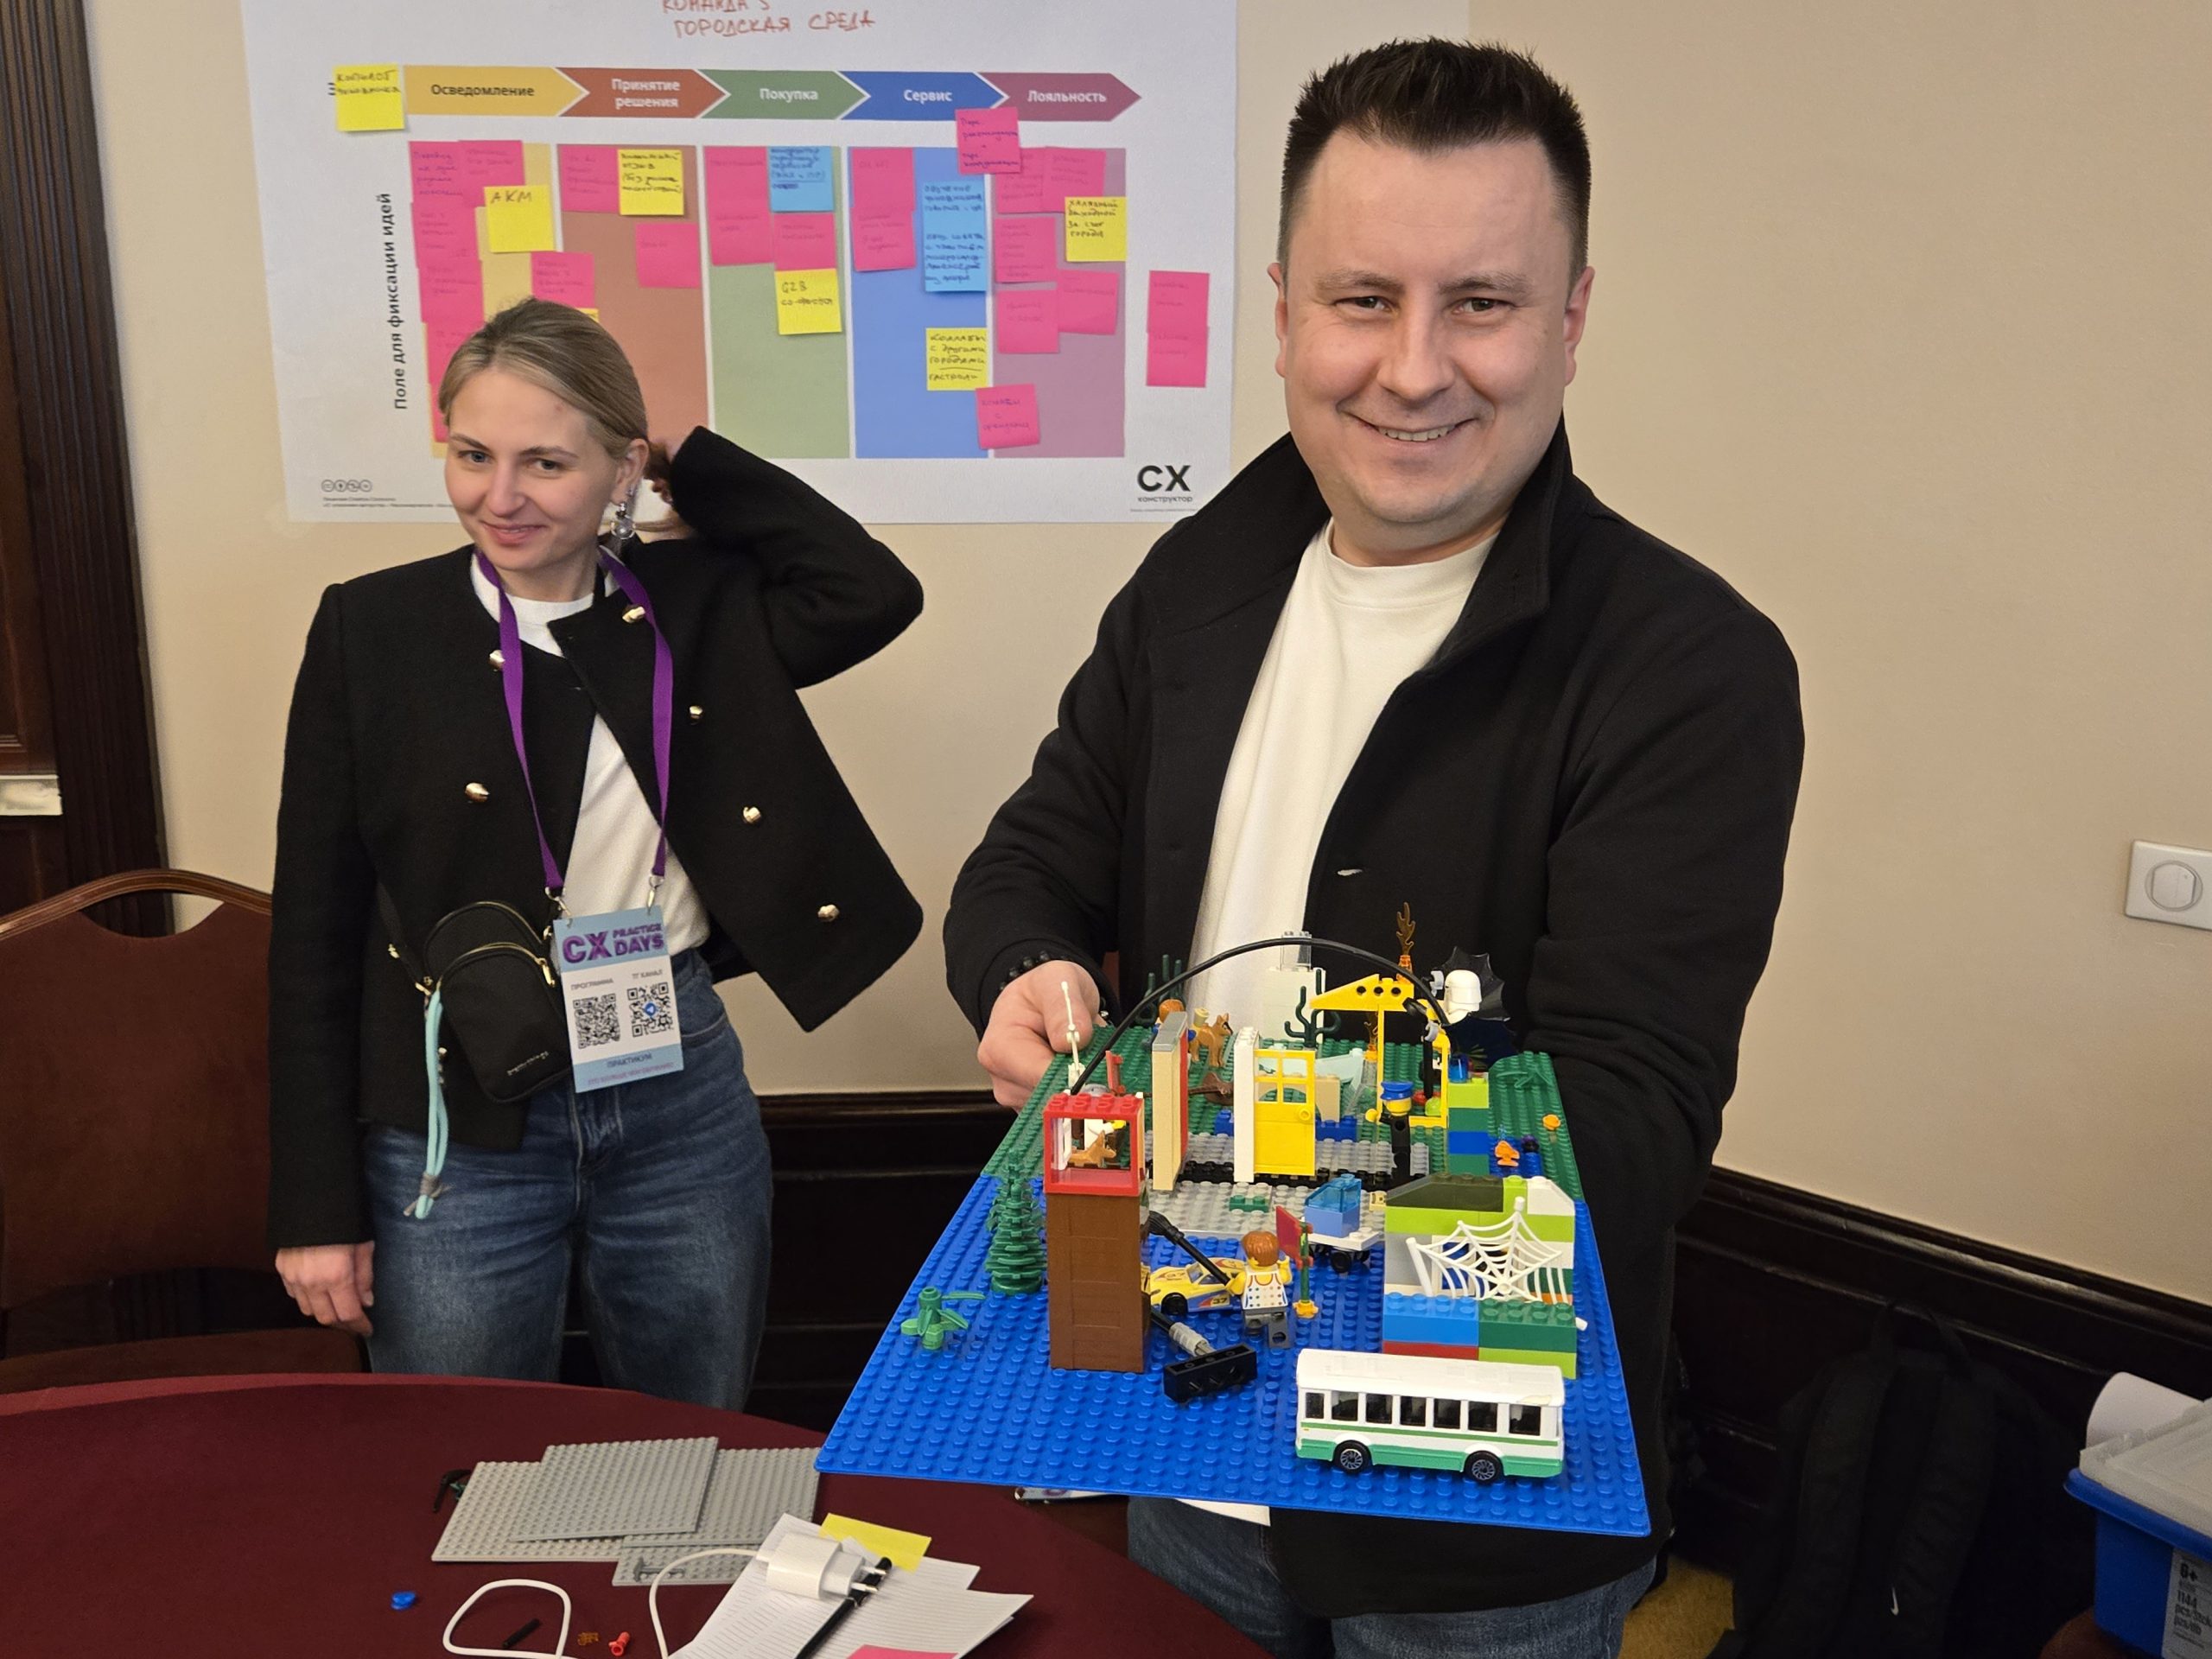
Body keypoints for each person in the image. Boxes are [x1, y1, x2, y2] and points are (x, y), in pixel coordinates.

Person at [944, 39, 1802, 1658]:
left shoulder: (1688, 667)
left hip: (1474, 1519)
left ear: (1571, 318)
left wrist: (1267, 1147)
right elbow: (1030, 862)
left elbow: (1630, 1124)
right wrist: (1026, 971)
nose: (1414, 369)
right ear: (1284, 314)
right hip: (1185, 1440)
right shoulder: (1196, 585)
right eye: (1361, 299)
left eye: (1480, 301)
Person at [270, 298, 922, 1408]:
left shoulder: (698, 609)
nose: (500, 496)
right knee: (457, 1444)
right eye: (472, 455)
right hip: (455, 1104)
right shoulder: (372, 630)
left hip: (675, 1083)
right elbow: (312, 932)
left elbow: (870, 591)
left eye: (546, 462)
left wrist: (686, 459)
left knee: (690, 1424)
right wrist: (315, 1209)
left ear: (621, 469)